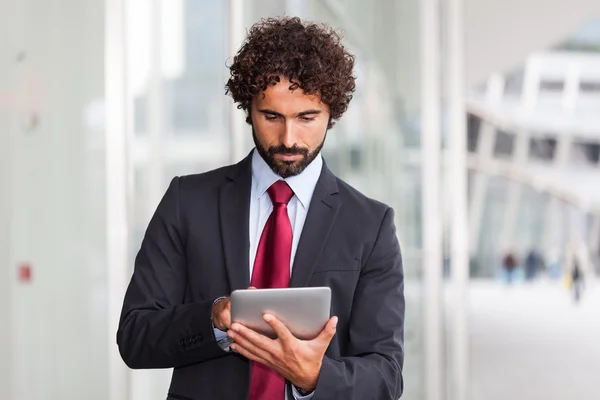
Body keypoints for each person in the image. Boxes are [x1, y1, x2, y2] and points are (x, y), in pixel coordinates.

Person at [116, 17, 405, 400]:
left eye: (306, 118)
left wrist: (315, 376)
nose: (289, 138)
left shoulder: (370, 224)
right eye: (272, 116)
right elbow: (135, 337)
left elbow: (387, 375)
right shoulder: (188, 201)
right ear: (248, 108)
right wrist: (215, 317)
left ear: (331, 114)